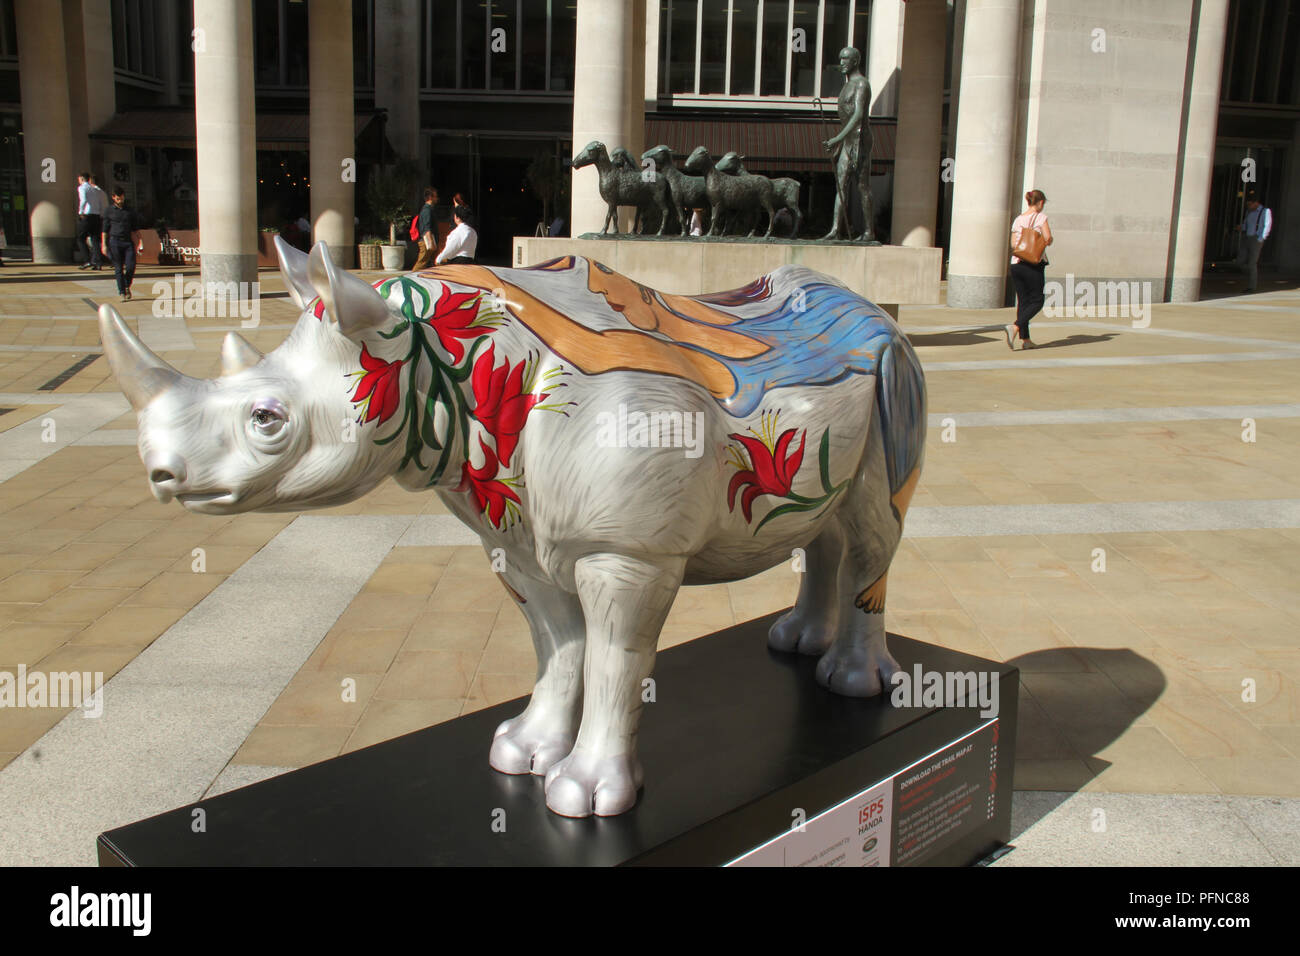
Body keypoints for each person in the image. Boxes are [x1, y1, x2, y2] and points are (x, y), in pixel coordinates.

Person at [820, 47, 876, 242]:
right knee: (841, 184)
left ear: (855, 61)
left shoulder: (862, 84)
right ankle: (836, 229)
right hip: (848, 141)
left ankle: (869, 231)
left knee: (862, 186)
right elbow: (846, 118)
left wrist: (837, 138)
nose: (842, 62)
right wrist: (841, 142)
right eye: (840, 58)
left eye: (846, 59)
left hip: (860, 140)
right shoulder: (847, 85)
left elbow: (859, 114)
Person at [1007, 189, 1052, 350]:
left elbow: (1013, 244)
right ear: (1040, 203)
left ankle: (1025, 340)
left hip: (1016, 263)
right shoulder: (1041, 218)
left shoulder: (1018, 219)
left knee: (1024, 302)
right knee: (1037, 300)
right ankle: (1015, 326)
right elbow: (1047, 239)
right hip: (1032, 265)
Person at [100, 187, 144, 301]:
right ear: (113, 198)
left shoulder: (130, 211)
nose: (120, 200)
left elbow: (135, 229)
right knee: (118, 268)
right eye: (118, 198)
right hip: (114, 241)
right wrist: (103, 245)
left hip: (128, 241)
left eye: (122, 197)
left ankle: (126, 285)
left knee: (130, 266)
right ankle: (122, 292)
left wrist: (140, 242)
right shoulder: (108, 211)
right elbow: (104, 230)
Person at [1235, 192, 1272, 293]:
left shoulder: (1265, 211)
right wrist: (1241, 227)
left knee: (1252, 263)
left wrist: (1261, 238)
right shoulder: (1249, 212)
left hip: (1256, 239)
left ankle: (1252, 286)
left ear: (1256, 203)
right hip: (1247, 237)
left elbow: (1267, 225)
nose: (1248, 206)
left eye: (1250, 204)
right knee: (1239, 261)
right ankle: (1251, 273)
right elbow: (1246, 224)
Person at [76, 172, 107, 270]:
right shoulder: (95, 189)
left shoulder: (82, 188)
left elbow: (83, 199)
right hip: (96, 216)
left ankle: (87, 260)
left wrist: (80, 212)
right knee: (95, 239)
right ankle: (98, 262)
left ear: (81, 179)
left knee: (80, 238)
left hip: (87, 215)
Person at [412, 187, 441, 270]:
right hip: (426, 242)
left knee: (428, 263)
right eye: (435, 196)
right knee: (421, 263)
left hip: (429, 241)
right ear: (430, 197)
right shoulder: (427, 210)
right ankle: (411, 278)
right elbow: (426, 227)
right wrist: (430, 242)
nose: (437, 198)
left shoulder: (429, 209)